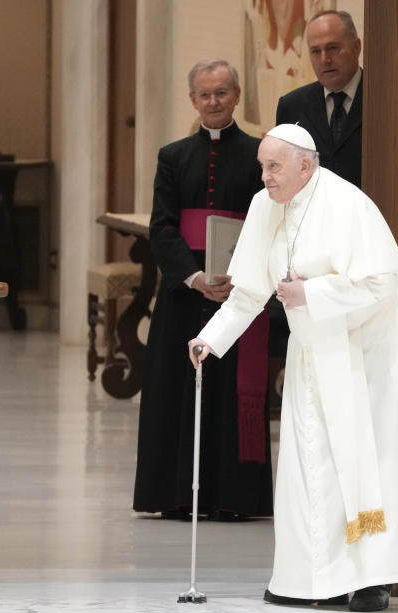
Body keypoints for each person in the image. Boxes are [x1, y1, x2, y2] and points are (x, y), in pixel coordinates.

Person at [188, 124, 398, 611]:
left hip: (374, 346)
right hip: (317, 340)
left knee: (371, 460)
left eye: (274, 167)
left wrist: (310, 293)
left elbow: (380, 284)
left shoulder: (347, 203)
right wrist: (211, 338)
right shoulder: (263, 205)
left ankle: (373, 579)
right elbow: (251, 288)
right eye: (262, 167)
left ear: (305, 165)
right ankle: (312, 578)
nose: (266, 177)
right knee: (310, 457)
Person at [133, 60, 272, 522]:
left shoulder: (258, 155)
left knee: (229, 395)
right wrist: (194, 277)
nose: (213, 102)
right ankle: (175, 496)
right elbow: (162, 229)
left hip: (238, 293)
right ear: (192, 99)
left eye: (222, 93)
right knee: (176, 391)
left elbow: (267, 225)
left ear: (236, 96)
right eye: (204, 95)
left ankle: (233, 497)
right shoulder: (172, 156)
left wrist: (240, 278)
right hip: (183, 294)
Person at [275, 10, 363, 187]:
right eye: (316, 51)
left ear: (356, 47)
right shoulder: (292, 106)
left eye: (332, 48)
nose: (325, 59)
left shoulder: (382, 100)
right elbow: (282, 176)